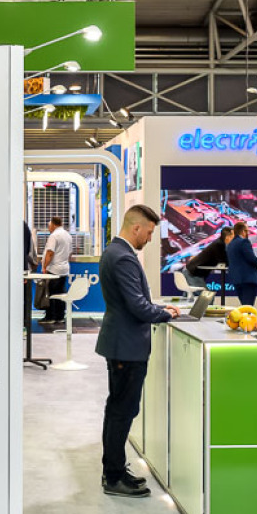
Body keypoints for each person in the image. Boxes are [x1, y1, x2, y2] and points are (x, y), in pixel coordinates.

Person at [95, 204, 181, 498]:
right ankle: (114, 477)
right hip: (126, 347)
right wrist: (165, 313)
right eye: (149, 232)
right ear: (136, 228)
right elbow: (137, 307)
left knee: (117, 410)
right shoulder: (123, 257)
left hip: (122, 344)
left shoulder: (115, 252)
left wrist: (157, 308)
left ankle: (114, 470)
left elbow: (131, 301)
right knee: (122, 412)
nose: (150, 238)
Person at [41, 216, 72, 326]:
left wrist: (44, 266)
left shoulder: (54, 236)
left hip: (54, 269)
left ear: (54, 225)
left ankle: (51, 317)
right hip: (64, 269)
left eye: (49, 226)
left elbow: (50, 253)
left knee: (52, 294)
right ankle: (60, 317)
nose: (49, 228)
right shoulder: (67, 235)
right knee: (61, 294)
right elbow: (70, 253)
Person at [183, 224, 234, 292]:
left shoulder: (221, 243)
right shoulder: (219, 245)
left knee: (194, 297)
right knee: (206, 296)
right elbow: (224, 261)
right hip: (192, 273)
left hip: (193, 272)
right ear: (227, 236)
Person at [226, 222, 257, 307]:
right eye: (247, 231)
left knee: (244, 305)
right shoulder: (244, 242)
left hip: (237, 279)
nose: (248, 233)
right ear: (243, 231)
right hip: (248, 279)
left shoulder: (230, 245)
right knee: (247, 307)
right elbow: (251, 258)